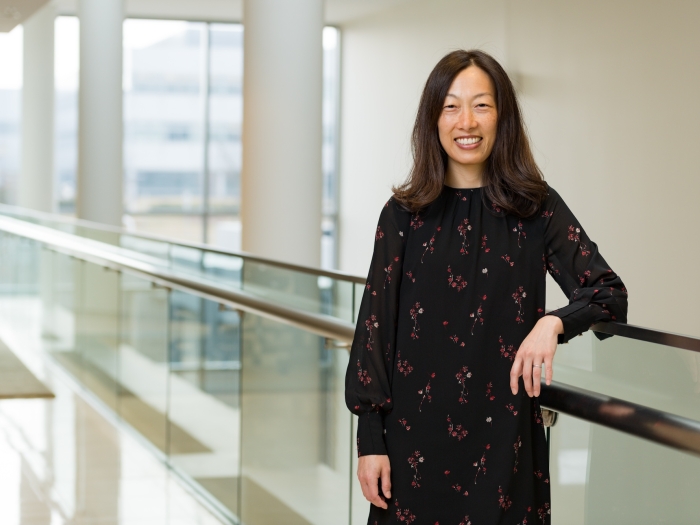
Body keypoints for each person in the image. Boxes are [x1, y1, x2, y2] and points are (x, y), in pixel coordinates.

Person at [344, 49, 628, 525]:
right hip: (412, 451)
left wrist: (552, 323)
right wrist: (370, 441)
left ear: (503, 117)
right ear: (433, 119)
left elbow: (607, 293)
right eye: (451, 106)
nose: (466, 121)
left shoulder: (536, 209)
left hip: (505, 450)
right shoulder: (402, 216)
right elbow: (373, 330)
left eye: (482, 105)